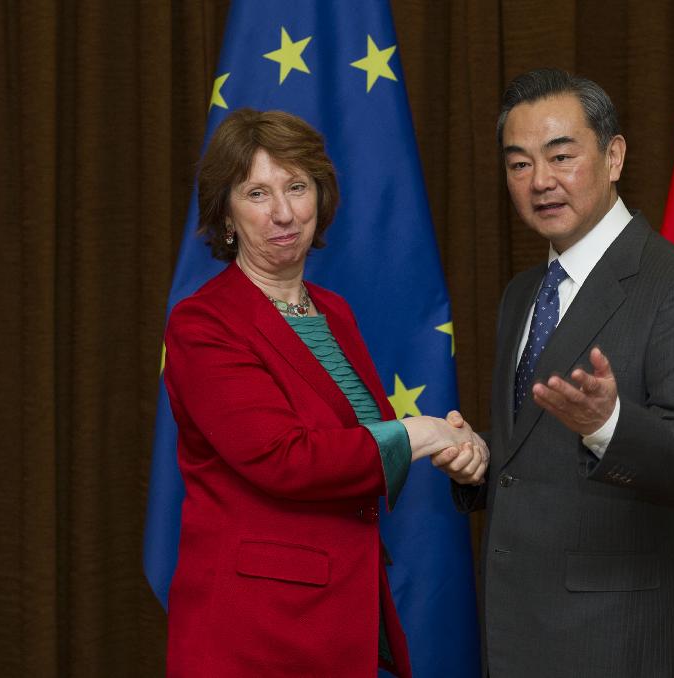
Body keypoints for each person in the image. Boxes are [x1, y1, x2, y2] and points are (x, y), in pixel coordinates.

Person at [162, 108, 486, 678]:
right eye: (257, 192)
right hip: (255, 630)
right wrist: (420, 432)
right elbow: (283, 458)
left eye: (297, 186)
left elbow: (367, 450)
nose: (284, 212)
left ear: (322, 196)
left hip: (342, 612)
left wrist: (454, 448)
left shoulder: (332, 312)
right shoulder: (203, 324)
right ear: (227, 214)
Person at [436, 69, 674, 677]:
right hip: (516, 631)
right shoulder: (522, 294)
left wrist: (609, 425)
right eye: (519, 165)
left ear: (614, 155)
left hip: (613, 640)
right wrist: (483, 458)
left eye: (561, 156)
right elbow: (535, 452)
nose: (540, 181)